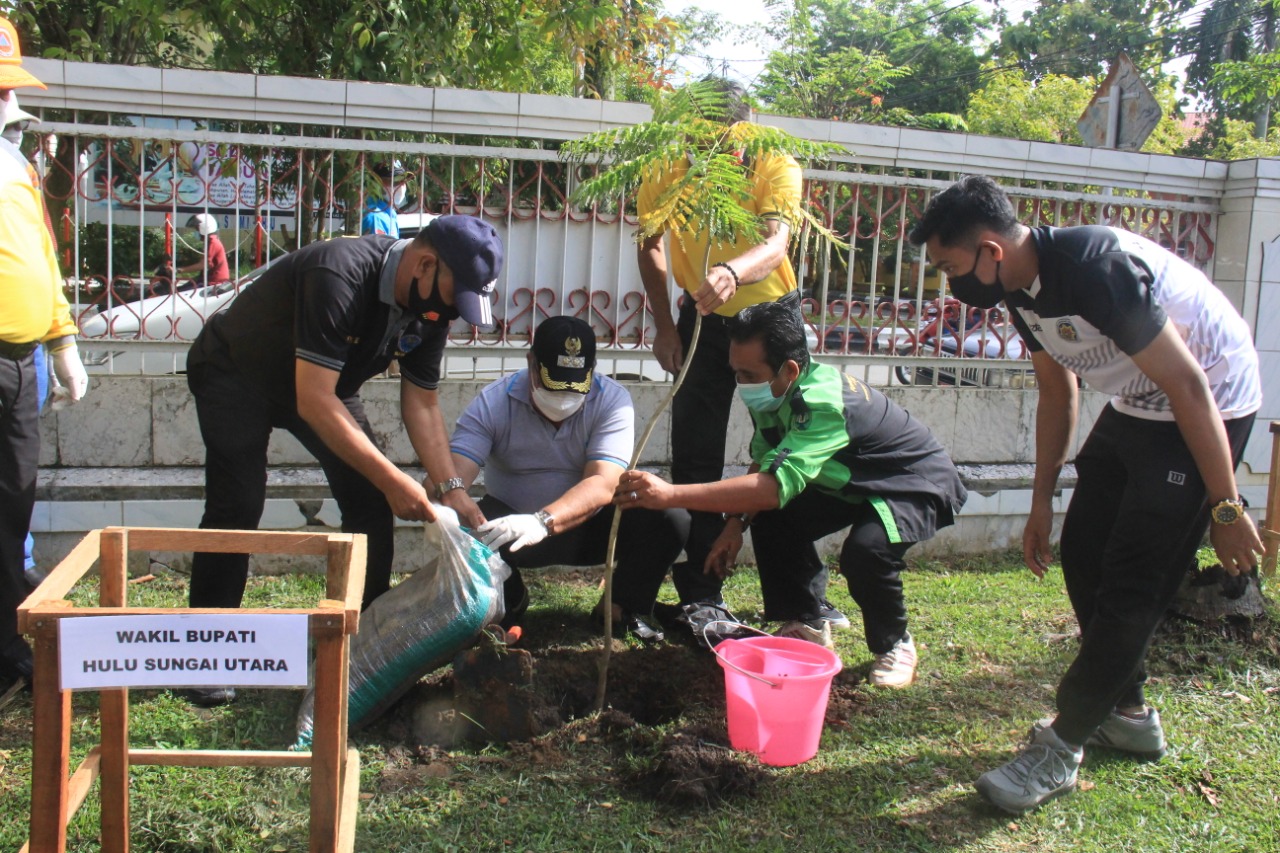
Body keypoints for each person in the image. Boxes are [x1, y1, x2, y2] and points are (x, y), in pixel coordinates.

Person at [910, 174, 1263, 813]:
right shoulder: (1017, 286)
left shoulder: (1097, 268)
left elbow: (1188, 385)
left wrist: (1225, 506)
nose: (947, 281)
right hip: (1139, 404)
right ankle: (1126, 712)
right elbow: (1057, 391)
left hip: (1208, 401)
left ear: (990, 250)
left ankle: (1063, 744)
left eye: (949, 265)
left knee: (1134, 582)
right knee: (1085, 556)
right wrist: (1041, 500)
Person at [184, 215, 502, 705]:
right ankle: (206, 651)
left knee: (370, 500)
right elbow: (314, 401)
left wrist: (450, 487)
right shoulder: (340, 273)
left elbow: (421, 400)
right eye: (452, 297)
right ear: (424, 263)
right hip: (236, 372)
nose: (450, 314)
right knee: (238, 504)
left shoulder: (430, 311)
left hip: (324, 387)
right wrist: (396, 479)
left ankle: (359, 638)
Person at [614, 301, 967, 685]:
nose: (741, 384)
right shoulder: (776, 392)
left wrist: (671, 495)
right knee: (771, 514)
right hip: (854, 482)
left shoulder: (820, 402)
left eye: (749, 373)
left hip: (911, 483)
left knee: (867, 553)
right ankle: (808, 621)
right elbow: (765, 462)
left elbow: (769, 488)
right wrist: (735, 526)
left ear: (791, 369)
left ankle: (894, 643)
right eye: (736, 373)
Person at [635, 78, 844, 623]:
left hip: (771, 318)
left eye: (720, 142)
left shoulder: (774, 162)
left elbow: (777, 244)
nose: (705, 155)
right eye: (696, 142)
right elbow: (649, 245)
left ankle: (806, 596)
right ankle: (703, 593)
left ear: (742, 132)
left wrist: (731, 271)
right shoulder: (665, 166)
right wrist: (665, 325)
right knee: (695, 452)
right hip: (700, 319)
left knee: (791, 447)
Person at [446, 315, 687, 640]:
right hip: (510, 531)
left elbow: (602, 483)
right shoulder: (494, 403)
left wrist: (541, 521)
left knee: (670, 515)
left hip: (594, 529)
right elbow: (455, 472)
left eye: (575, 387)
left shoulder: (612, 401)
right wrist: (452, 496)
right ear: (531, 364)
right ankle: (509, 603)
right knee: (460, 530)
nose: (564, 398)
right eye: (553, 385)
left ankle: (619, 609)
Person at [0, 15, 90, 704]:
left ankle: (12, 648)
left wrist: (63, 343)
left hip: (22, 360)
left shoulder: (20, 168)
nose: (9, 107)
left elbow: (43, 262)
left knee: (14, 502)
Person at [170, 213, 231, 289]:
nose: (197, 232)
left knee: (181, 292)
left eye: (197, 229)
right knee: (180, 288)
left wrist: (179, 270)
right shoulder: (210, 241)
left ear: (205, 228)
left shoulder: (213, 242)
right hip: (207, 279)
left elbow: (203, 265)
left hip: (214, 282)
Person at [362, 162, 405, 237]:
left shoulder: (389, 214)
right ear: (377, 184)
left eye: (402, 181)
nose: (400, 186)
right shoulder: (376, 217)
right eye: (393, 182)